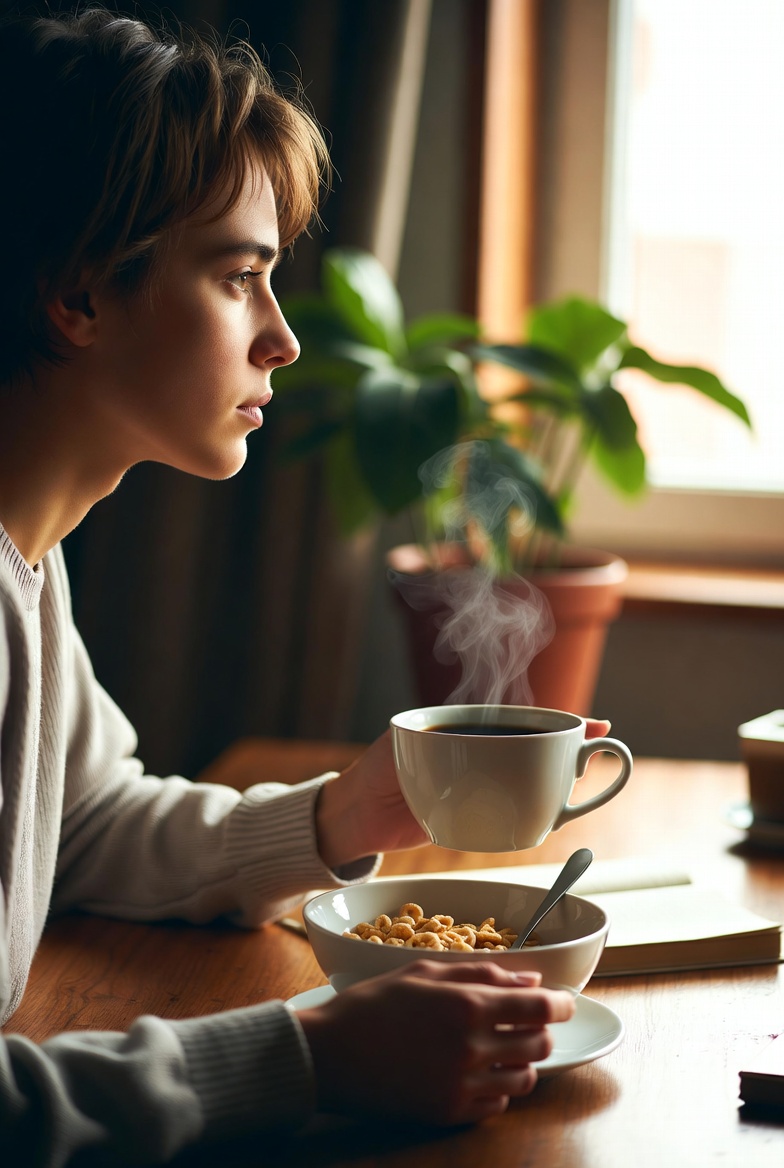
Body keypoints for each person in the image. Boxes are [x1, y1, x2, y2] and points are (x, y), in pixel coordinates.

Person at [0, 8, 608, 1163]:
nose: (279, 337)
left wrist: (348, 813)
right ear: (76, 297)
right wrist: (308, 1054)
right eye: (239, 276)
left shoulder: (28, 560)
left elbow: (82, 825)